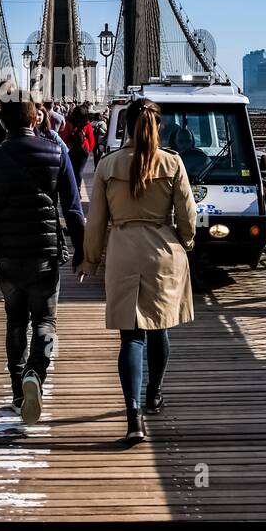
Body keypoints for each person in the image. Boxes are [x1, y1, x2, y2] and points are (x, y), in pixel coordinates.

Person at [79, 97, 196, 445]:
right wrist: (185, 243)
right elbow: (187, 216)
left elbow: (96, 220)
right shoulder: (172, 163)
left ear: (126, 125)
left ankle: (134, 419)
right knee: (159, 329)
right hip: (163, 251)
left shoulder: (107, 165)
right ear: (157, 126)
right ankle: (155, 393)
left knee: (131, 336)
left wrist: (90, 259)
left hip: (123, 251)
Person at [0, 95, 85, 425]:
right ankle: (36, 373)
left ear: (3, 124)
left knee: (15, 321)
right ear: (36, 120)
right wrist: (83, 253)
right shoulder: (57, 152)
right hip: (45, 255)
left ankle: (19, 391)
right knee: (45, 322)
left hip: (7, 255)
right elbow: (73, 209)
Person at [62, 104, 95, 190]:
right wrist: (88, 149)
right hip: (84, 150)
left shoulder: (69, 123)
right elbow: (91, 139)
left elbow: (65, 137)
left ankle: (73, 188)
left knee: (72, 170)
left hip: (72, 149)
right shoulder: (87, 124)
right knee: (79, 170)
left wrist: (69, 145)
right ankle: (78, 188)